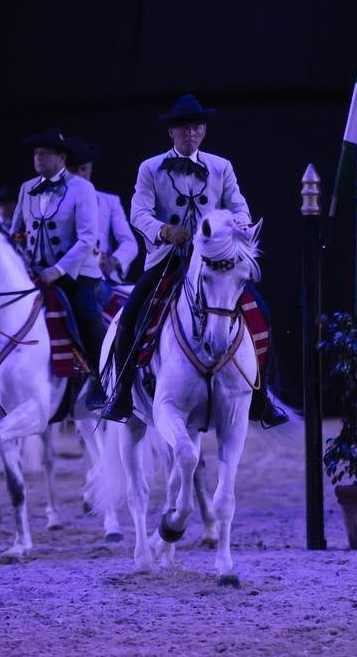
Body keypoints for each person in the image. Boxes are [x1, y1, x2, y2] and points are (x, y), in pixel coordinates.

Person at [102, 93, 288, 427]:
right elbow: (138, 211)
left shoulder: (221, 166)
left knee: (260, 312)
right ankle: (122, 393)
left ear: (203, 131)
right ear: (171, 132)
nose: (191, 133)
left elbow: (238, 204)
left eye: (196, 127)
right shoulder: (150, 168)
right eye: (184, 128)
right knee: (130, 315)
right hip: (168, 260)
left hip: (214, 262)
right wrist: (163, 230)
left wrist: (238, 228)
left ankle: (262, 396)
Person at [10, 127, 107, 406]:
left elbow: (87, 237)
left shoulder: (82, 188)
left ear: (62, 158)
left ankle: (103, 379)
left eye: (44, 153)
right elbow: (16, 231)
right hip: (35, 274)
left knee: (87, 315)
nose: (38, 158)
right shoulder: (26, 188)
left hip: (75, 274)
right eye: (35, 153)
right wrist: (22, 259)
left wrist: (58, 270)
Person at [65, 135, 138, 291]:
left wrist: (113, 261)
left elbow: (130, 243)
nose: (80, 175)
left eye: (84, 169)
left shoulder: (109, 202)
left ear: (91, 167)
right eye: (73, 170)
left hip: (101, 276)